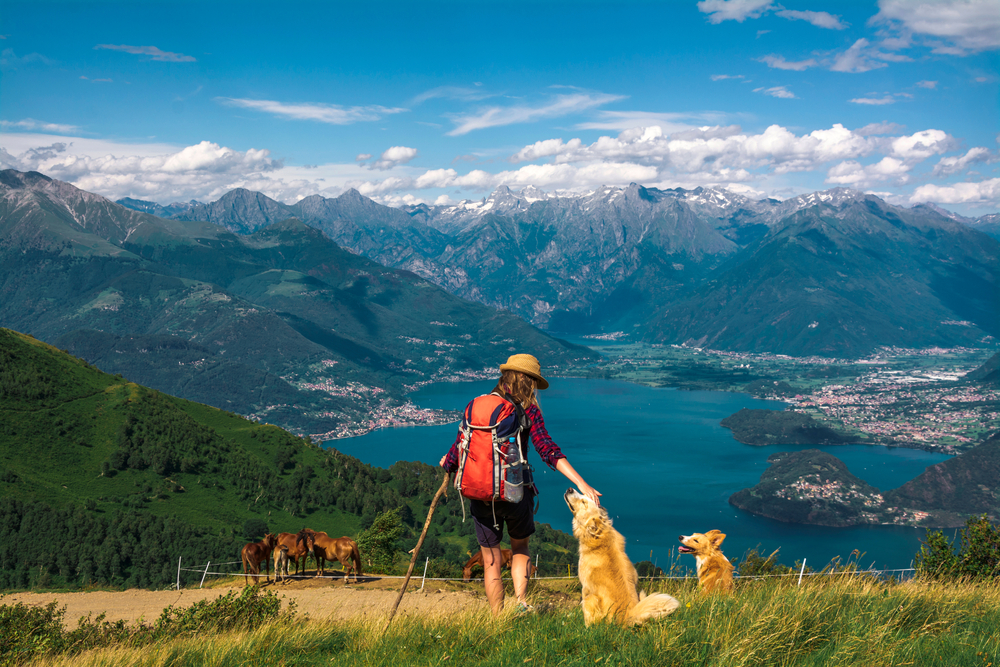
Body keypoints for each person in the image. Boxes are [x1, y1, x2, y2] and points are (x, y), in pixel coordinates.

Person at [439, 353, 601, 615]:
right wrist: (582, 484)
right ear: (527, 381)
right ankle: (521, 604)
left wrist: (447, 464)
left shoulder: (477, 405)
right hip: (515, 494)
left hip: (480, 495)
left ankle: (496, 619)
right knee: (520, 548)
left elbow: (460, 448)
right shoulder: (526, 410)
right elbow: (547, 449)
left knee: (490, 561)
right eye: (534, 382)